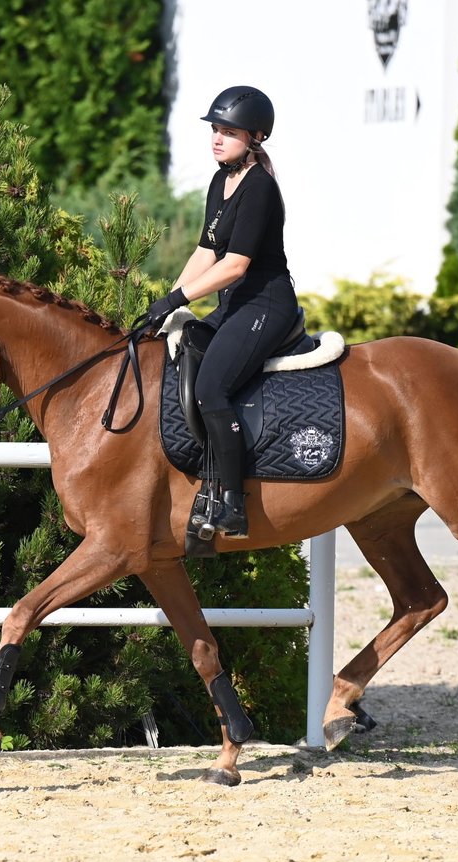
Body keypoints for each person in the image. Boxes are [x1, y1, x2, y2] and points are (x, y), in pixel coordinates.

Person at [146, 85, 299, 539]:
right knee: (181, 353)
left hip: (266, 303)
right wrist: (165, 306)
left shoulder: (260, 188)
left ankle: (232, 502)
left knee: (212, 386)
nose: (216, 138)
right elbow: (206, 252)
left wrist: (180, 300)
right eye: (215, 129)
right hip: (236, 304)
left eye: (227, 131)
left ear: (256, 137)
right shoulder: (220, 180)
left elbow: (235, 266)